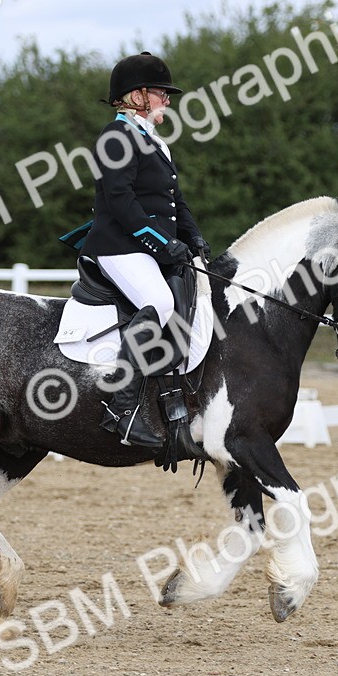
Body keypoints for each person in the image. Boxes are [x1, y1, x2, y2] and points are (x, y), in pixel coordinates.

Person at [80, 52, 211, 448]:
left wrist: (193, 238)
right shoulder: (114, 137)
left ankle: (176, 398)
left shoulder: (155, 142)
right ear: (137, 96)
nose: (167, 100)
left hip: (147, 248)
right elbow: (121, 202)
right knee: (159, 300)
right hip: (119, 247)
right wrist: (161, 242)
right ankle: (121, 409)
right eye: (161, 93)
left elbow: (175, 201)